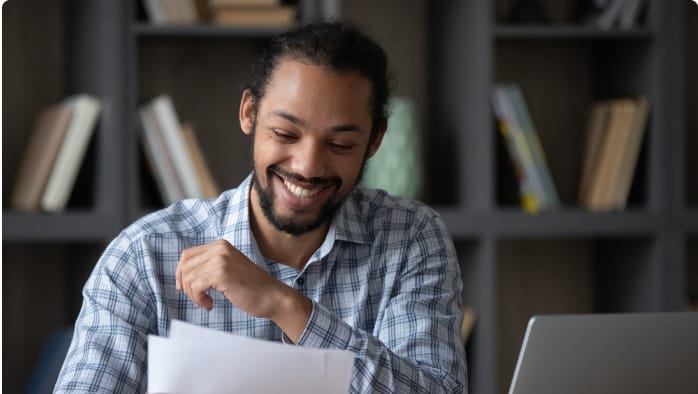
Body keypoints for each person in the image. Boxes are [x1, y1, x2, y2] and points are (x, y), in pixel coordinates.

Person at [55, 20, 467, 393]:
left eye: (340, 145)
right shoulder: (145, 256)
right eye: (286, 134)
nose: (308, 166)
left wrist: (285, 306)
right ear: (249, 113)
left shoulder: (412, 238)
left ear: (375, 141)